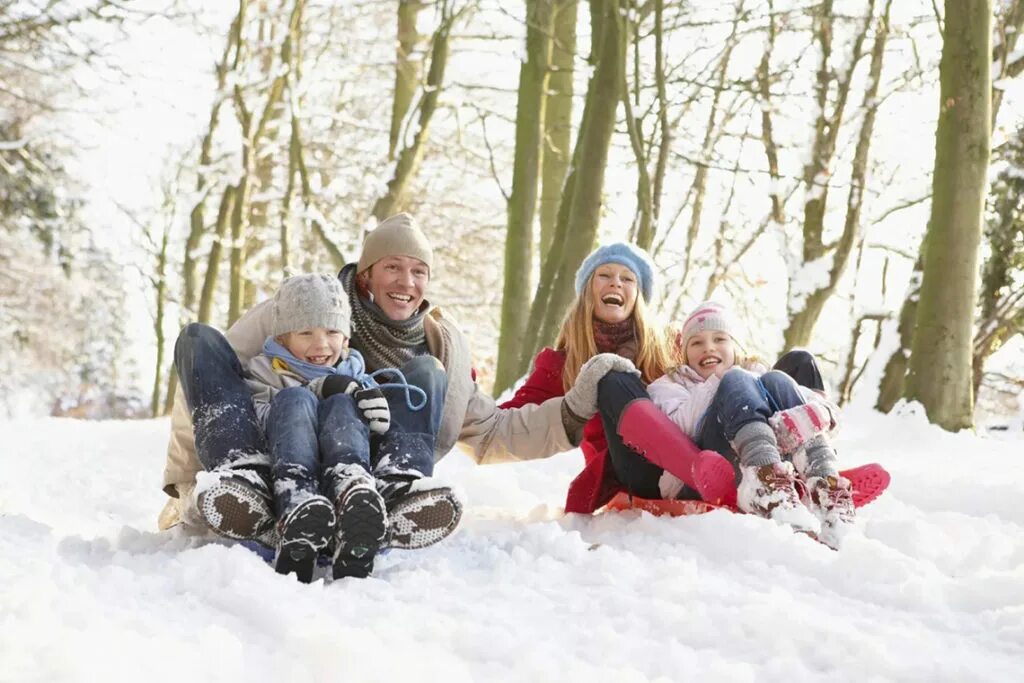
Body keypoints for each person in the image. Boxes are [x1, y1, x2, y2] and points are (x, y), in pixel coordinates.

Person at [159, 213, 623, 557]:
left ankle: (392, 495)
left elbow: (494, 432)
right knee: (200, 341)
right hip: (279, 449)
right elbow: (211, 385)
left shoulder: (443, 346)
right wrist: (184, 485)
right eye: (392, 268)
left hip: (364, 471)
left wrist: (575, 408)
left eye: (418, 271)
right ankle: (247, 483)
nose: (406, 282)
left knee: (426, 375)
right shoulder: (306, 309)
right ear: (366, 276)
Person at [501, 243, 738, 515]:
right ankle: (698, 471)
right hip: (636, 472)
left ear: (637, 295)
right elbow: (510, 421)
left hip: (703, 454)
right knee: (610, 374)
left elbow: (718, 372)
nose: (616, 283)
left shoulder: (670, 343)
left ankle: (779, 474)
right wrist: (461, 392)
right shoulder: (562, 364)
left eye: (627, 279)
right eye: (605, 275)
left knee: (794, 364)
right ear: (588, 288)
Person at [246, 272, 427, 582]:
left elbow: (371, 434)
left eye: (332, 331)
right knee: (295, 399)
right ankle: (298, 510)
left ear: (346, 338)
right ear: (281, 339)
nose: (321, 344)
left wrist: (374, 417)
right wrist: (318, 388)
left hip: (342, 469)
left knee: (344, 405)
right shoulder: (265, 372)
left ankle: (354, 501)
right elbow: (259, 421)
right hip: (290, 473)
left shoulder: (357, 375)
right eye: (305, 333)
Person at [648, 301, 855, 548]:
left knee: (777, 380)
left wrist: (821, 413)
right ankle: (765, 485)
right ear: (684, 353)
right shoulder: (671, 384)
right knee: (738, 379)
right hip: (704, 464)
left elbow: (827, 414)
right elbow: (679, 428)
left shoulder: (758, 374)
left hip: (773, 458)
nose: (708, 348)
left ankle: (826, 489)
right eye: (696, 343)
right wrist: (722, 380)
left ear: (735, 346)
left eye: (719, 339)